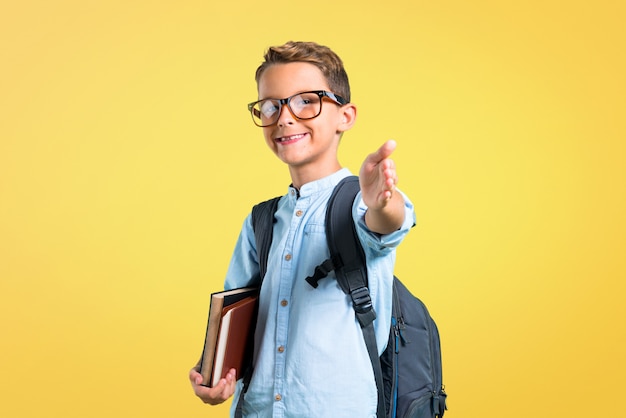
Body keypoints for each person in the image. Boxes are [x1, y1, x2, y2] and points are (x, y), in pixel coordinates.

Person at [189, 40, 415, 417]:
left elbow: (387, 225)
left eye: (306, 100)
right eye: (271, 105)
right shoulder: (262, 220)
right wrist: (214, 376)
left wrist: (382, 201)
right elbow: (232, 315)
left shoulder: (360, 201)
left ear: (345, 116)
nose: (285, 117)